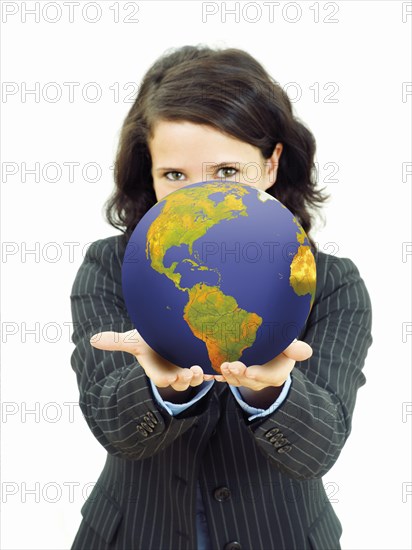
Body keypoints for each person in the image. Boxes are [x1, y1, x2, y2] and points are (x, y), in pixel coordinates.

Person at [69, 44, 373, 550]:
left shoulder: (331, 283)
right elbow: (113, 427)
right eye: (174, 176)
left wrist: (271, 394)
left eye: (227, 173)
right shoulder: (109, 266)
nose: (198, 198)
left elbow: (319, 449)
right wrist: (161, 392)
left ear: (272, 164)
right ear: (148, 172)